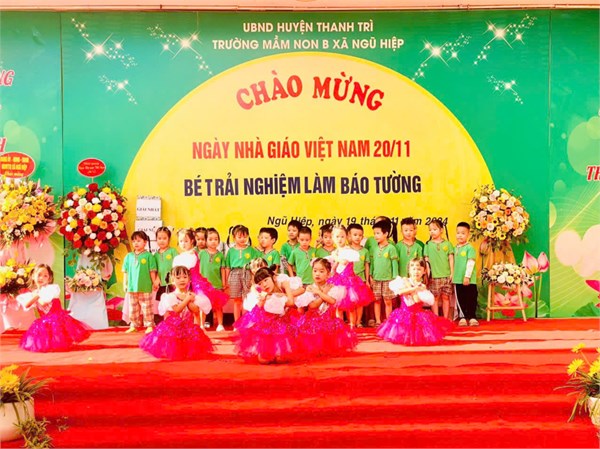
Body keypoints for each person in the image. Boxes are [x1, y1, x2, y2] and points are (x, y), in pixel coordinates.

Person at [140, 266, 213, 360]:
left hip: (187, 327)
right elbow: (177, 309)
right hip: (173, 328)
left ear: (189, 279)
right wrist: (187, 299)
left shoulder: (193, 296)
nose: (182, 280)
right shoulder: (170, 296)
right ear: (172, 280)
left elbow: (195, 310)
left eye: (185, 277)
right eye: (178, 278)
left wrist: (188, 298)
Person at [377, 258, 453, 345]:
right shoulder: (403, 281)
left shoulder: (422, 286)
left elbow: (417, 300)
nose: (416, 272)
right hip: (404, 313)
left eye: (419, 269)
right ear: (409, 270)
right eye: (413, 269)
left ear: (424, 271)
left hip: (418, 314)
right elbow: (401, 292)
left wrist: (412, 289)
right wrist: (414, 289)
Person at [18, 264, 91, 352]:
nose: (41, 278)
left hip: (57, 318)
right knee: (41, 330)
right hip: (44, 320)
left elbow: (43, 303)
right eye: (39, 275)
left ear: (49, 279)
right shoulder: (34, 293)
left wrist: (37, 295)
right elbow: (27, 305)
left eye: (45, 276)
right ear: (33, 276)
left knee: (56, 328)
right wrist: (35, 295)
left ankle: (60, 342)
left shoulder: (51, 289)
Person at [235, 267, 299, 364]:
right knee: (264, 360)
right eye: (260, 283)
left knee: (281, 359)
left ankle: (277, 353)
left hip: (280, 331)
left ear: (274, 278)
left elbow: (291, 302)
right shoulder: (263, 296)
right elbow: (255, 312)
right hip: (266, 333)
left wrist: (287, 288)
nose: (264, 285)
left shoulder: (280, 294)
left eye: (266, 280)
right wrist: (262, 301)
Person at [296, 258, 357, 359]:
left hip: (328, 322)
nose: (317, 274)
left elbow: (332, 301)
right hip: (312, 323)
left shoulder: (332, 288)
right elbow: (313, 305)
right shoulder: (310, 288)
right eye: (315, 271)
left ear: (328, 274)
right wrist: (323, 293)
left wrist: (319, 293)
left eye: (321, 271)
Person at [173, 228, 229, 328]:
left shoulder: (196, 254)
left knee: (197, 306)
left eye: (186, 241)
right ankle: (187, 326)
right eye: (181, 241)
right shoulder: (178, 257)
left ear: (192, 241)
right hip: (183, 286)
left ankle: (200, 326)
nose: (183, 244)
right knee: (182, 306)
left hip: (196, 284)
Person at [327, 226, 374, 328]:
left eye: (342, 236)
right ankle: (340, 326)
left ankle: (352, 326)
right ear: (333, 238)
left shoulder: (348, 250)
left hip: (349, 281)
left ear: (347, 237)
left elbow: (343, 262)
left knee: (350, 306)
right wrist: (332, 271)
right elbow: (336, 266)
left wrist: (335, 256)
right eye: (337, 237)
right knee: (338, 305)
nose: (340, 239)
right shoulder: (336, 251)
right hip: (339, 281)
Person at [123, 231, 158, 334]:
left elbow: (152, 271)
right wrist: (125, 284)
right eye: (134, 241)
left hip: (145, 287)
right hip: (132, 287)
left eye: (138, 241)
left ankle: (149, 325)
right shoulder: (129, 256)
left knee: (147, 307)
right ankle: (134, 325)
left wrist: (154, 282)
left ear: (145, 242)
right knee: (133, 308)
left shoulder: (149, 256)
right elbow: (125, 271)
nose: (136, 243)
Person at [225, 224, 261, 322]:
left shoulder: (251, 250)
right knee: (237, 300)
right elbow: (227, 267)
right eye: (239, 237)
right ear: (234, 237)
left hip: (248, 274)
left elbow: (255, 266)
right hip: (234, 274)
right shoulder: (231, 251)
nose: (242, 239)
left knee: (247, 299)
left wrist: (254, 279)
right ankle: (237, 323)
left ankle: (244, 323)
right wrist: (226, 281)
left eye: (245, 236)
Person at [369, 220, 399, 326]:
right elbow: (372, 263)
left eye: (378, 233)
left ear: (385, 234)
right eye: (374, 233)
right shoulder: (374, 249)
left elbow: (394, 264)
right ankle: (378, 321)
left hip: (388, 279)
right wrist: (371, 275)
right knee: (377, 300)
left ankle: (388, 321)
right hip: (376, 279)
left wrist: (394, 278)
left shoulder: (391, 248)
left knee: (387, 301)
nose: (375, 236)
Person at [424, 219, 454, 319]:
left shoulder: (448, 244)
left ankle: (445, 318)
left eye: (435, 229)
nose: (432, 232)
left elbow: (451, 258)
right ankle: (436, 319)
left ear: (441, 230)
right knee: (435, 298)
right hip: (434, 277)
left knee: (446, 297)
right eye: (430, 230)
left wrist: (452, 273)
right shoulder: (428, 245)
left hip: (446, 276)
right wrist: (428, 276)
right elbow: (427, 261)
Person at [198, 227, 227, 331]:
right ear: (206, 241)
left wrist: (224, 283)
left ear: (219, 241)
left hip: (217, 285)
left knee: (218, 306)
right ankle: (201, 325)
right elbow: (196, 268)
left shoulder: (221, 255)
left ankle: (220, 324)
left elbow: (223, 270)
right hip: (203, 285)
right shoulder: (201, 253)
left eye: (216, 239)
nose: (213, 241)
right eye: (210, 239)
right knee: (203, 306)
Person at [453, 222, 479, 326]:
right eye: (458, 233)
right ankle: (462, 317)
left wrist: (467, 276)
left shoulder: (469, 248)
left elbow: (471, 262)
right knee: (460, 299)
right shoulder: (454, 248)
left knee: (471, 298)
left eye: (463, 233)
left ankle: (472, 317)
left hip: (469, 279)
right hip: (457, 279)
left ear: (468, 234)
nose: (460, 235)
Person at [153, 226, 179, 325]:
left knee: (172, 302)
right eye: (159, 238)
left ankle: (173, 321)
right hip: (161, 284)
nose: (162, 241)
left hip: (172, 284)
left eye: (164, 238)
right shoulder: (155, 255)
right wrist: (156, 279)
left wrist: (175, 279)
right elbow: (155, 270)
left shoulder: (173, 251)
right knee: (160, 303)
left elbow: (177, 267)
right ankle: (160, 323)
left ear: (169, 239)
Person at [347, 223, 371, 327]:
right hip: (349, 280)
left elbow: (366, 265)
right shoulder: (347, 250)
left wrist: (367, 280)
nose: (357, 237)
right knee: (350, 302)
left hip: (361, 280)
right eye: (355, 235)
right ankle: (351, 321)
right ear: (349, 235)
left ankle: (358, 321)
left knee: (360, 302)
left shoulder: (365, 251)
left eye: (360, 235)